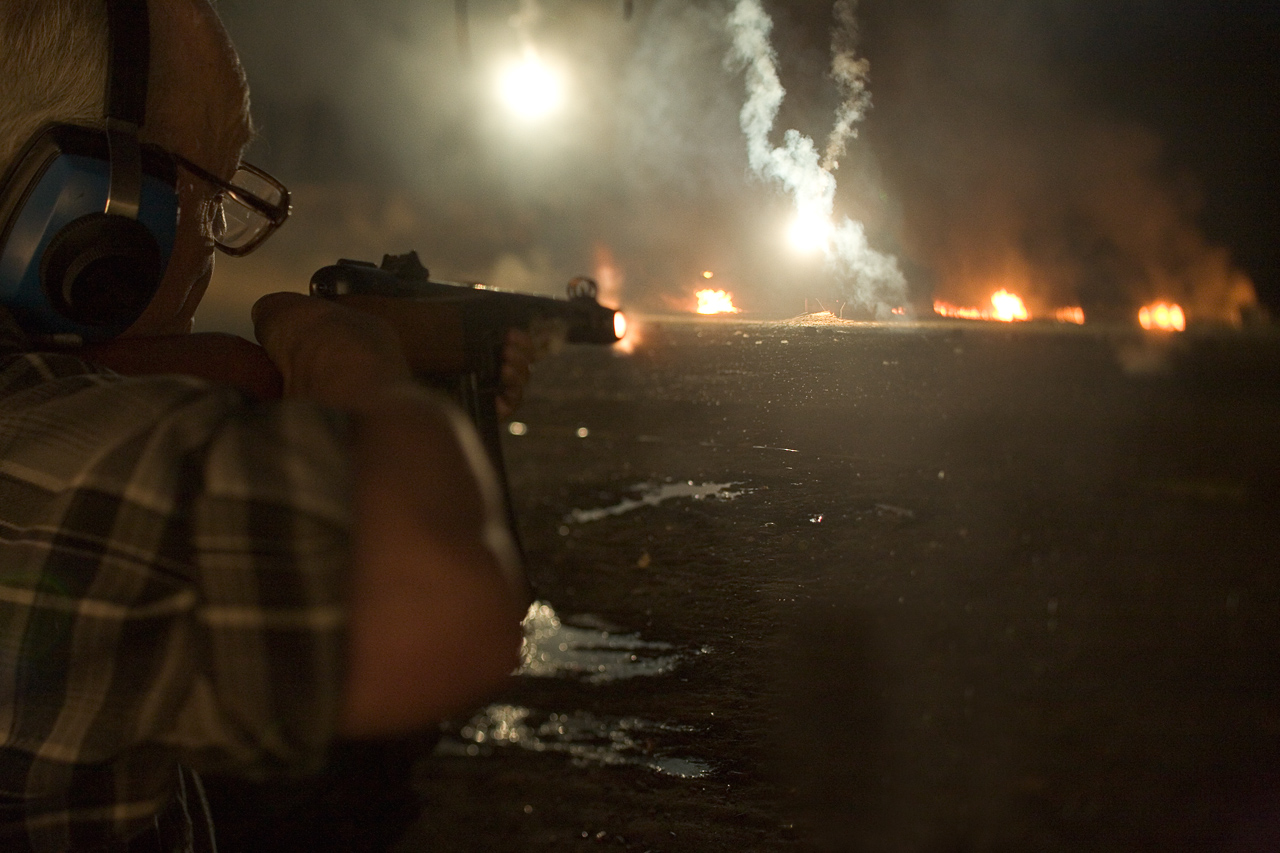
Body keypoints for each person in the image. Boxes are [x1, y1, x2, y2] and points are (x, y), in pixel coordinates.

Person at [0, 0, 533, 850]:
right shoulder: (57, 461)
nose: (211, 246)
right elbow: (446, 613)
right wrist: (358, 367)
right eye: (206, 198)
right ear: (92, 216)